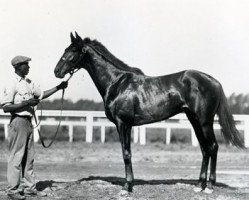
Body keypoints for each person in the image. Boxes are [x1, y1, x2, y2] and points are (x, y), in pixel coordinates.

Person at [1, 55, 68, 200]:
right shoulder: (12, 83)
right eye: (26, 65)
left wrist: (59, 87)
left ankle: (30, 189)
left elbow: (42, 95)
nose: (29, 67)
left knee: (29, 158)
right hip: (18, 122)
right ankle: (13, 191)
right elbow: (6, 107)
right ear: (18, 67)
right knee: (16, 157)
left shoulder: (29, 82)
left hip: (28, 122)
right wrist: (26, 103)